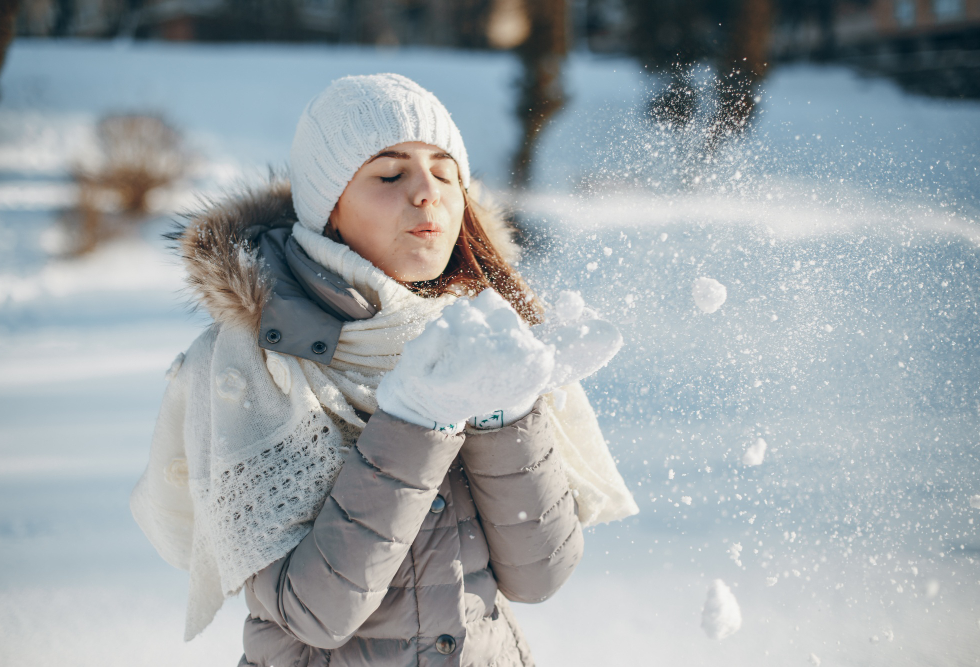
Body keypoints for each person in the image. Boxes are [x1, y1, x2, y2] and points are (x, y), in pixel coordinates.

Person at [131, 73, 638, 667]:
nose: (428, 194)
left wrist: (508, 411)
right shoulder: (252, 365)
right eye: (390, 174)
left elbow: (539, 576)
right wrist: (416, 419)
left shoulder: (487, 335)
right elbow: (314, 613)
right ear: (330, 208)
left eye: (446, 173)